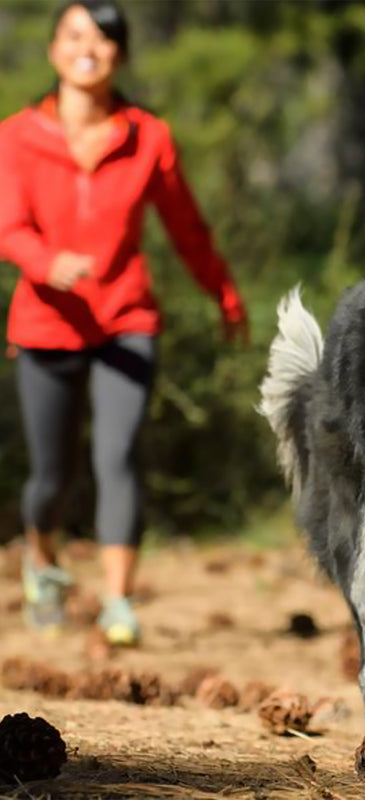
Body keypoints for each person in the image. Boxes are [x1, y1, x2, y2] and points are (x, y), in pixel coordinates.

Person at [0, 0, 248, 645]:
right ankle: (44, 561)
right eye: (77, 34)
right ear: (55, 49)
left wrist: (223, 293)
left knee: (118, 459)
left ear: (121, 54)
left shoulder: (148, 137)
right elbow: (9, 225)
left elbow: (186, 227)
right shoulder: (16, 136)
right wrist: (45, 260)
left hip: (125, 319)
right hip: (45, 322)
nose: (90, 47)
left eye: (105, 38)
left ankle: (117, 601)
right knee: (50, 478)